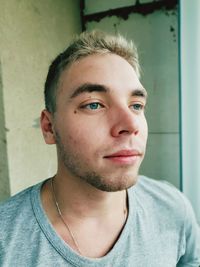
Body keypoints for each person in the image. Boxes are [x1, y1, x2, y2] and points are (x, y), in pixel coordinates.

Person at [0, 30, 199, 267]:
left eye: (136, 105)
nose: (131, 124)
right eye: (94, 104)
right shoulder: (6, 240)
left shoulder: (172, 208)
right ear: (49, 127)